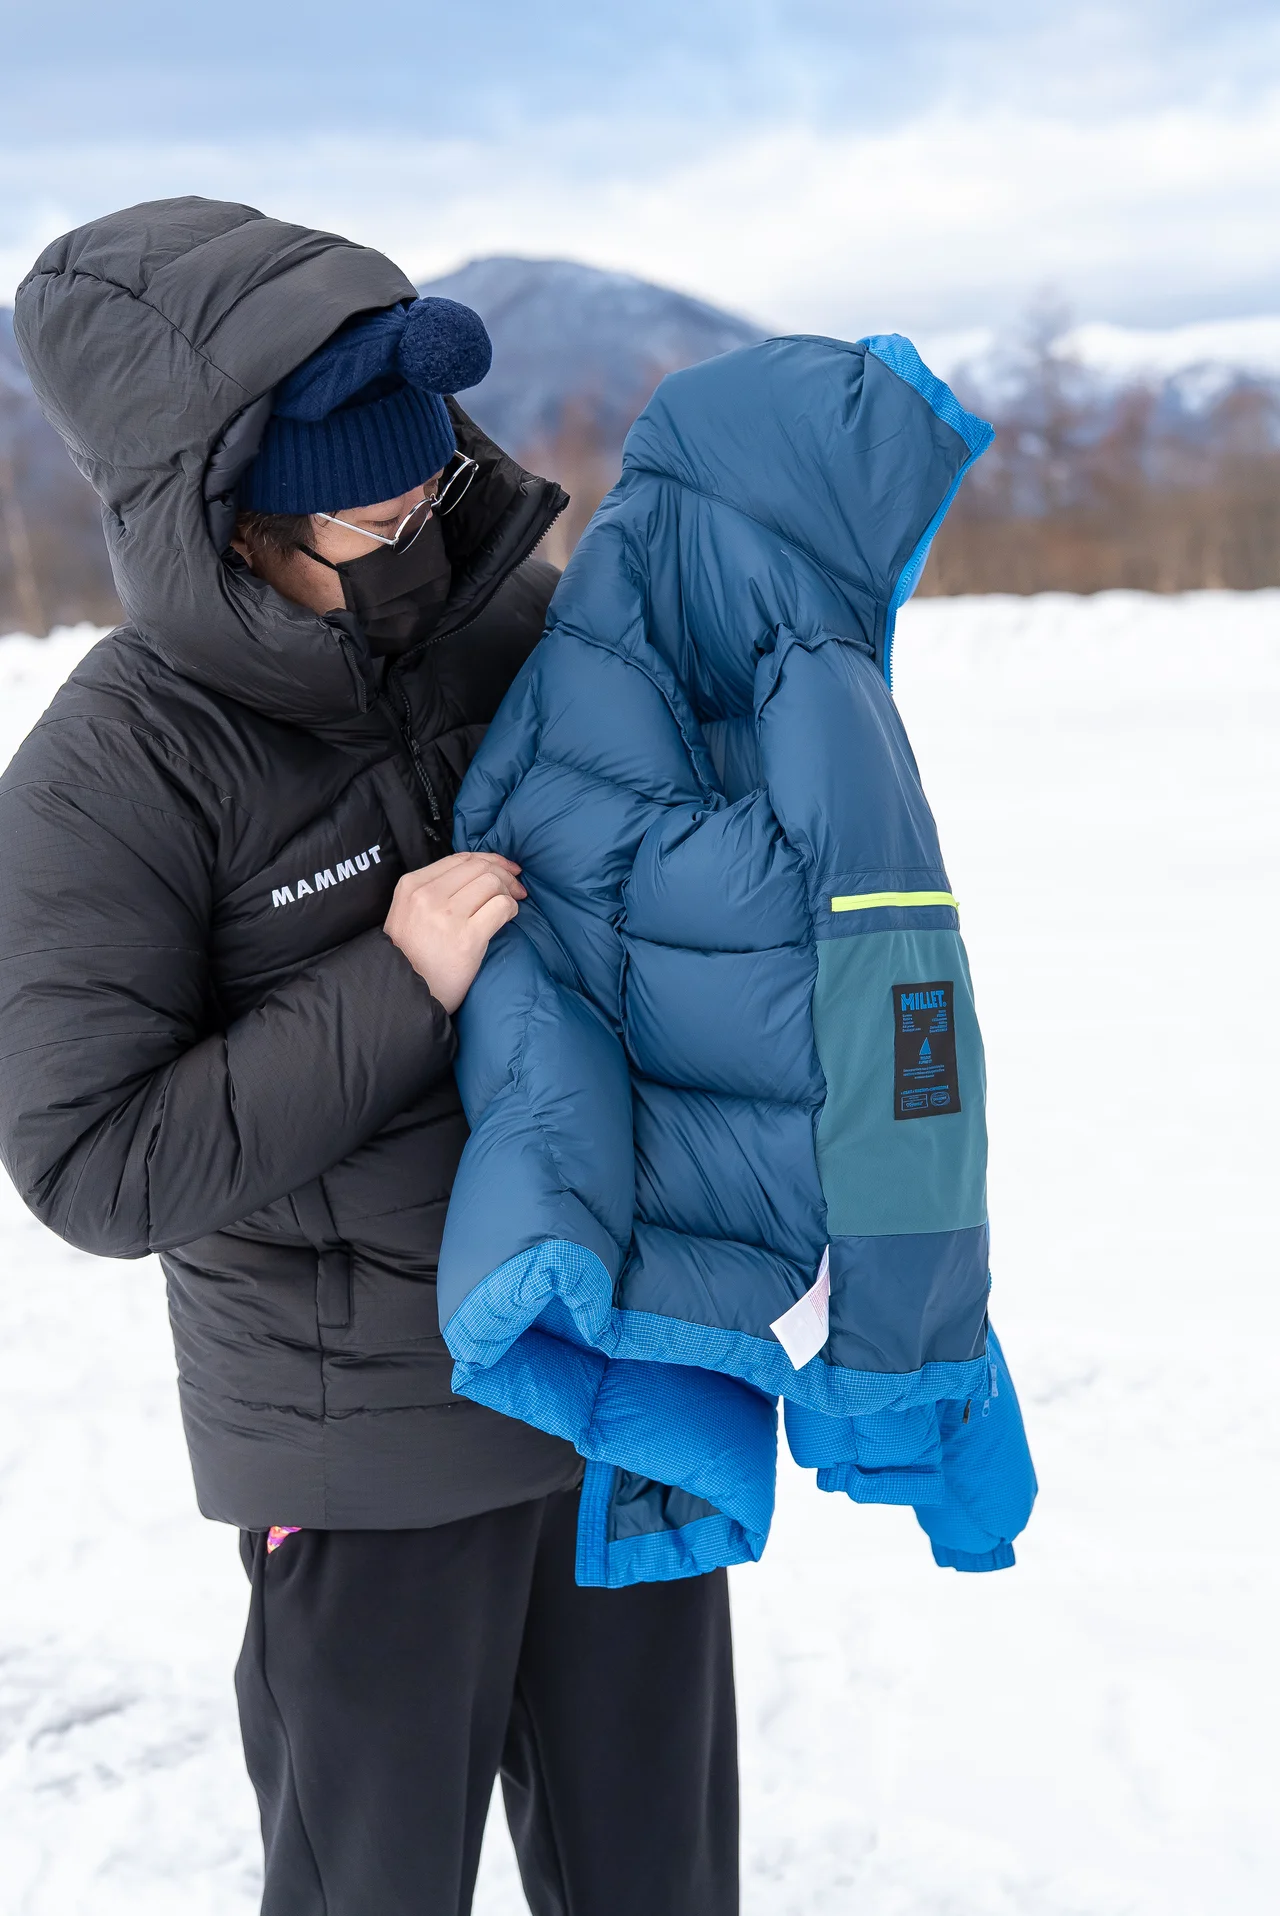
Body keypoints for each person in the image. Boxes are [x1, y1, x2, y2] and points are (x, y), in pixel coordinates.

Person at [0, 197, 737, 1916]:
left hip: (621, 1380)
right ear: (225, 518)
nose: (415, 543)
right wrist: (393, 980)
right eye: (365, 516)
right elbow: (94, 1163)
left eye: (432, 497)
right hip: (374, 1450)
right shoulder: (112, 776)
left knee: (665, 1884)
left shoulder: (517, 625)